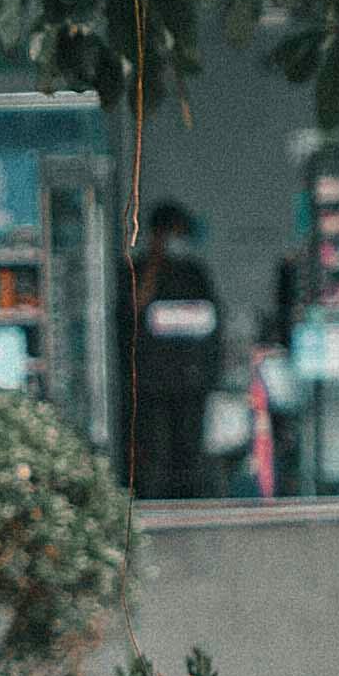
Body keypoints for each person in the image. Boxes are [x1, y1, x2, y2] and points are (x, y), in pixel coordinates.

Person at [123, 197, 228, 497]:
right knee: (155, 449)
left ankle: (189, 500)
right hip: (153, 380)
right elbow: (136, 306)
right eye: (174, 234)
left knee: (189, 448)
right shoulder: (139, 269)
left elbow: (211, 317)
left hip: (191, 377)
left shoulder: (193, 271)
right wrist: (155, 260)